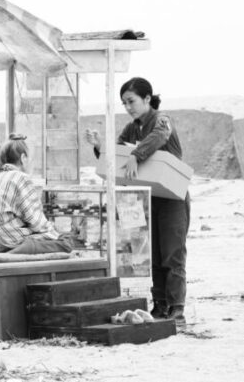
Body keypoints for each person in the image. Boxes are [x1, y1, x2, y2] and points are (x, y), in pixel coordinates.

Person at [86, 77, 189, 325]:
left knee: (173, 255)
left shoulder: (162, 120)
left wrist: (137, 154)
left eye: (131, 101)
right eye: (124, 103)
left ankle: (177, 308)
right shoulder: (132, 128)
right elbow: (117, 153)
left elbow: (160, 136)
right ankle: (160, 306)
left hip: (173, 198)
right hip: (149, 197)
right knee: (153, 255)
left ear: (146, 98)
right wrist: (100, 146)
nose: (128, 107)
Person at [0, 135, 73, 255]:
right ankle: (19, 251)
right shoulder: (20, 177)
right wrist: (57, 233)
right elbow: (37, 222)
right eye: (31, 159)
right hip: (8, 243)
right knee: (66, 242)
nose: (32, 164)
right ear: (23, 158)